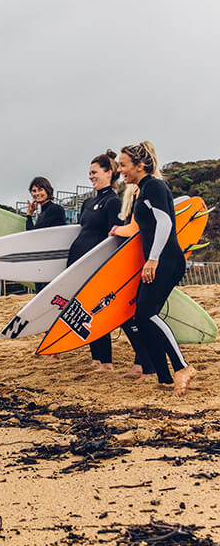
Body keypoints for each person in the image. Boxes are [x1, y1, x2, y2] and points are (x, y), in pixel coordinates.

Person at [114, 142, 195, 396]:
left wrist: (153, 259)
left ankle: (182, 367)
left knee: (148, 315)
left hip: (166, 260)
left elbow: (164, 223)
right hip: (159, 259)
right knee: (142, 316)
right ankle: (164, 376)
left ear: (140, 165)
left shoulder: (154, 186)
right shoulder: (142, 189)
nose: (120, 170)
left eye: (124, 165)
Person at [67, 151, 123, 371]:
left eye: (94, 172)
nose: (90, 176)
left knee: (97, 311)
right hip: (79, 263)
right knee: (84, 310)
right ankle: (96, 358)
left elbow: (114, 237)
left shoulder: (113, 202)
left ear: (109, 172)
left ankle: (106, 361)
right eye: (89, 173)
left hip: (97, 265)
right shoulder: (88, 203)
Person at [26, 176, 66, 290]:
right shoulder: (43, 213)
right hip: (44, 260)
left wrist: (29, 215)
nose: (37, 193)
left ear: (47, 190)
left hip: (52, 261)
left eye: (40, 189)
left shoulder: (55, 209)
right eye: (34, 191)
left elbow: (32, 234)